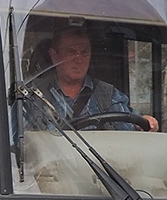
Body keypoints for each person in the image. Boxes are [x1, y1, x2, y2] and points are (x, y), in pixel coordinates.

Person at [27, 25, 159, 132]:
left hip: (102, 164)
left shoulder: (108, 95)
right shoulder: (32, 98)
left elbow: (130, 128)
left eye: (84, 52)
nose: (79, 59)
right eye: (71, 52)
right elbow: (15, 144)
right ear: (54, 56)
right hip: (52, 165)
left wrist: (144, 123)